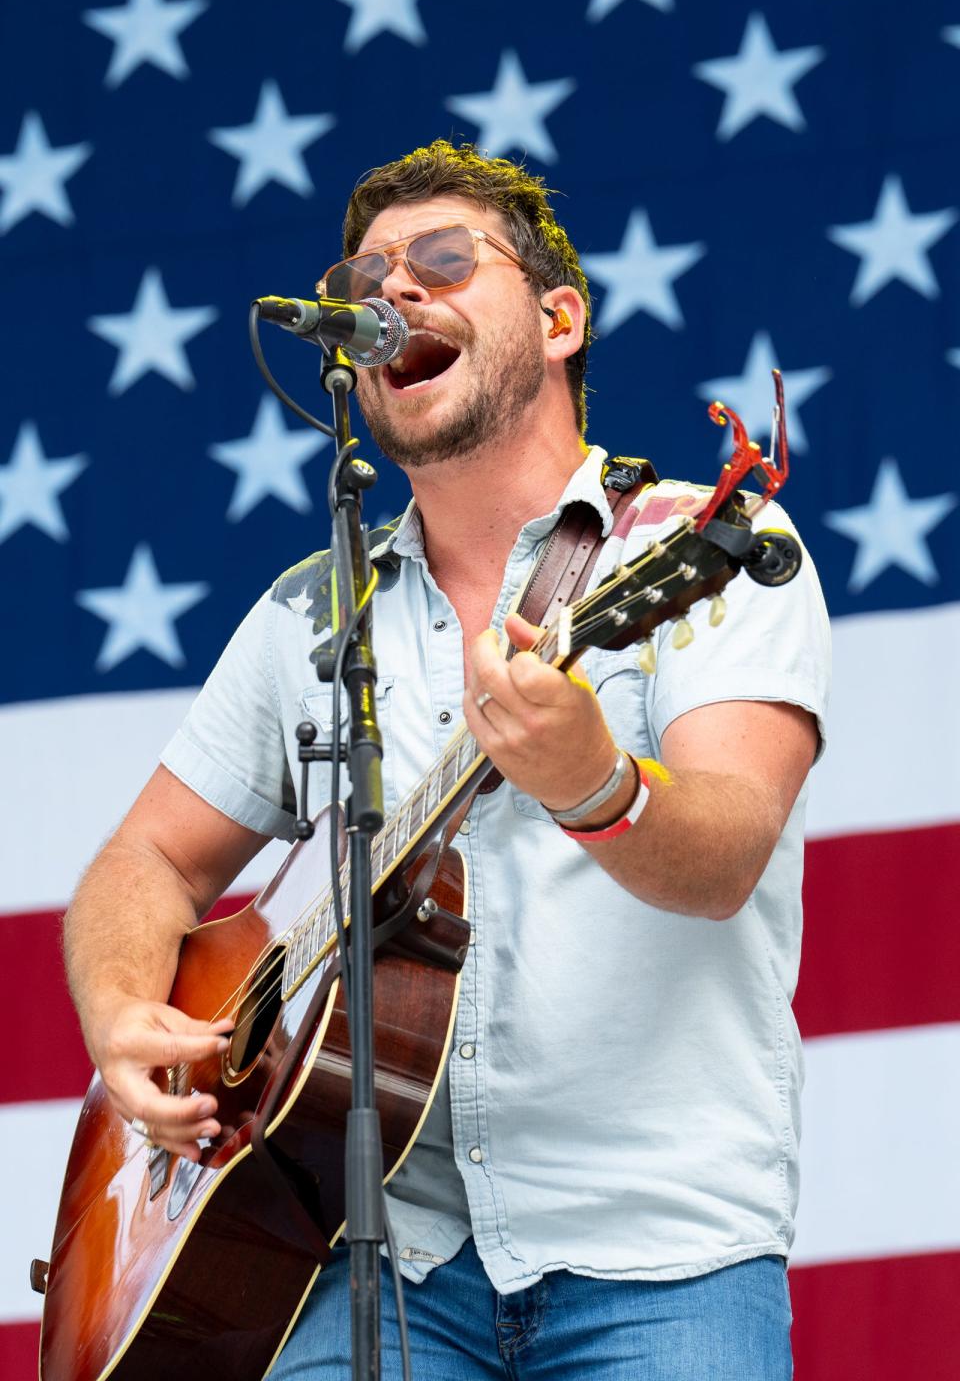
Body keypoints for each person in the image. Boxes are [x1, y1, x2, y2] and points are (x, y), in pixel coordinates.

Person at [63, 139, 830, 1379]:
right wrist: (120, 1016)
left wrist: (596, 783)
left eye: (441, 262)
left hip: (660, 1255)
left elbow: (727, 851)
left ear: (560, 316)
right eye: (368, 276)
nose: (394, 295)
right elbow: (145, 858)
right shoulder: (312, 610)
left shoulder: (701, 544)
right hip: (361, 1255)